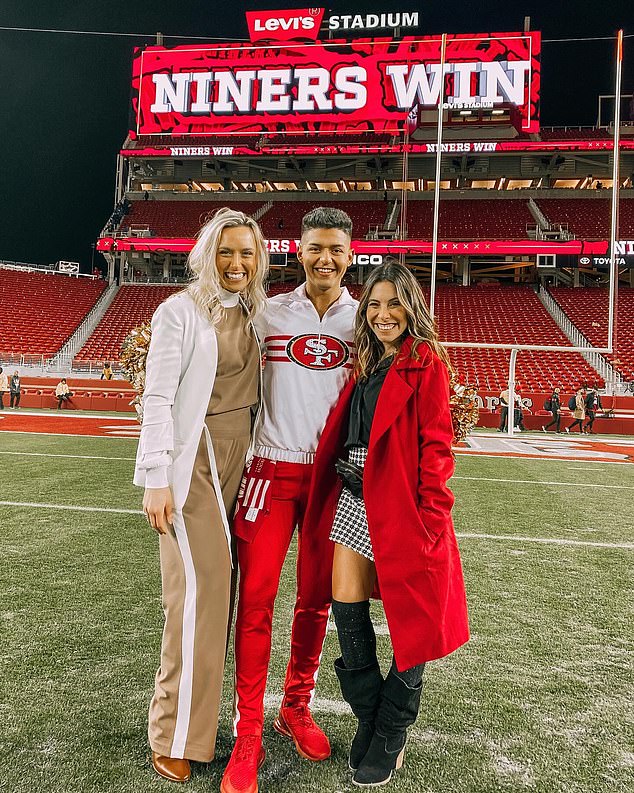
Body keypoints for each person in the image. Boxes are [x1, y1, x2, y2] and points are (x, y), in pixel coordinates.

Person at [302, 260, 469, 786]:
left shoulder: (427, 363)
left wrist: (433, 516)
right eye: (373, 305)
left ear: (411, 305)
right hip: (354, 500)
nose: (382, 314)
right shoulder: (364, 363)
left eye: (393, 303)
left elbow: (437, 446)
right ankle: (370, 716)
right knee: (346, 609)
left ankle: (390, 730)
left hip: (403, 506)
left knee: (412, 620)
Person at [222, 207, 358, 793]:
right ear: (297, 252)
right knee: (255, 599)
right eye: (313, 248)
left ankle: (295, 705)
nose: (324, 258)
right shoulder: (270, 312)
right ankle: (248, 726)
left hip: (332, 480)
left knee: (315, 600)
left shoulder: (366, 318)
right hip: (269, 474)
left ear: (350, 254)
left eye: (334, 248)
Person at [133, 208, 268, 783]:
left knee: (227, 595)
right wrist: (156, 477)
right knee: (199, 593)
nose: (236, 264)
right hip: (196, 462)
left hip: (246, 461)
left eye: (246, 254)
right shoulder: (178, 313)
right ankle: (172, 731)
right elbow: (158, 398)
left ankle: (212, 722)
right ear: (206, 254)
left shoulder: (261, 314)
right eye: (225, 252)